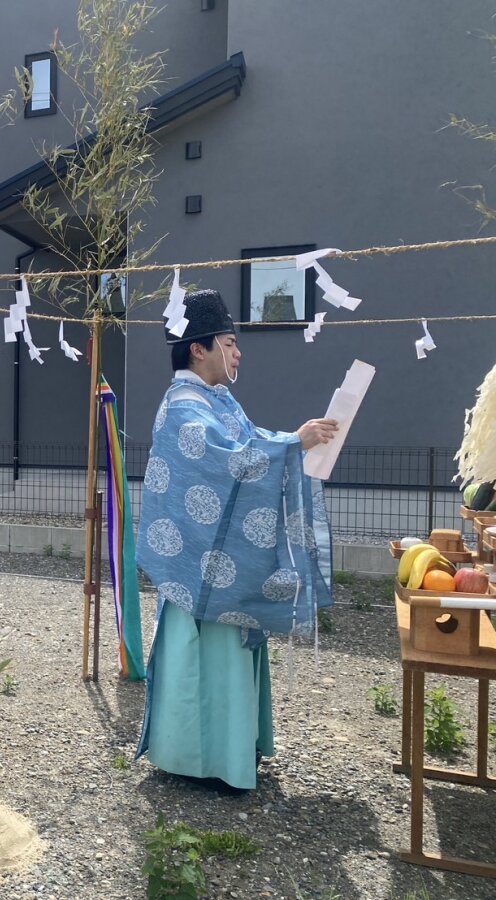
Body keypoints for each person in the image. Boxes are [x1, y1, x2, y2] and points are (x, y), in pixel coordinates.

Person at [135, 289, 338, 790]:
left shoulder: (216, 399)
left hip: (217, 557)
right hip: (198, 567)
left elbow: (249, 445)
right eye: (229, 341)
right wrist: (294, 442)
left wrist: (293, 440)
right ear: (197, 348)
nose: (238, 352)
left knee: (222, 659)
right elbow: (233, 461)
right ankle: (197, 760)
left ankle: (230, 752)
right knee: (208, 660)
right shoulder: (183, 408)